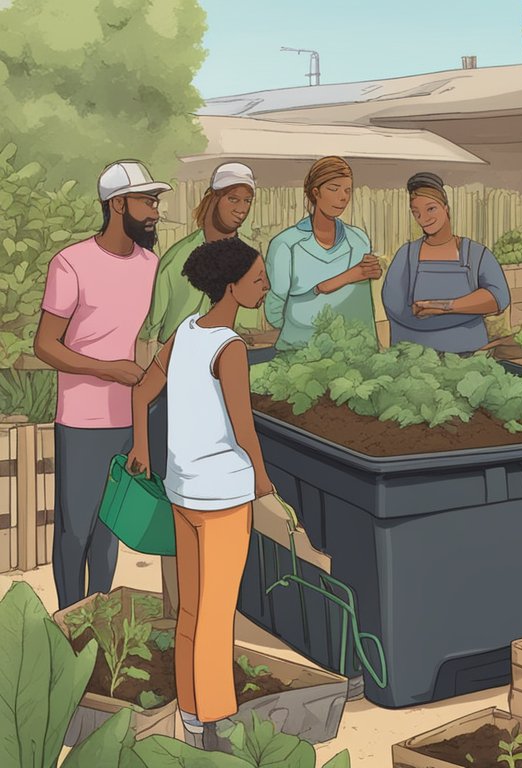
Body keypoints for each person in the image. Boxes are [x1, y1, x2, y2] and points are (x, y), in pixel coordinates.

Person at [128, 237, 274, 750]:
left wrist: (142, 446)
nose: (266, 286)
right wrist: (262, 480)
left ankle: (190, 716)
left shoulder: (186, 332)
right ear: (231, 288)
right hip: (223, 497)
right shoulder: (228, 348)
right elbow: (243, 426)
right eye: (259, 279)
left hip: (182, 492)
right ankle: (210, 726)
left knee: (191, 610)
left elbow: (142, 389)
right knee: (216, 613)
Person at [33, 160, 169, 609]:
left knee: (111, 532)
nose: (154, 210)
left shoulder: (151, 264)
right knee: (76, 531)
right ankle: (68, 623)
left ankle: (99, 618)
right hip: (82, 421)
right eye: (146, 201)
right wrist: (108, 370)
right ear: (117, 205)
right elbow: (46, 346)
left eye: (155, 201)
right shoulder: (71, 263)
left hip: (128, 417)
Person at [381, 173, 510, 354]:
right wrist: (467, 311)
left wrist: (445, 307)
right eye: (416, 212)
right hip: (413, 358)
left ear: (446, 208)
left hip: (469, 356)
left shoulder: (476, 254)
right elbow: (395, 306)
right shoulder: (407, 254)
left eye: (431, 209)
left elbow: (499, 298)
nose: (423, 218)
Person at [264, 156, 380, 351]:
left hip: (352, 349)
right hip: (300, 349)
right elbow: (274, 307)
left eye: (347, 190)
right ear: (315, 192)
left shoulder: (358, 240)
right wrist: (299, 329)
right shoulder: (286, 244)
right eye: (334, 189)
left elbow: (361, 304)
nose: (342, 197)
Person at [145, 163, 262, 344]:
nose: (242, 209)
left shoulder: (251, 262)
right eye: (233, 199)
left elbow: (249, 325)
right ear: (213, 198)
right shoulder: (177, 258)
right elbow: (150, 332)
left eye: (247, 200)